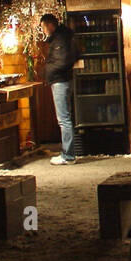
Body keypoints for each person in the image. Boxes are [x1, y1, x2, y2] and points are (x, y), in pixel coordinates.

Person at [41, 13, 79, 164]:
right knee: (65, 118)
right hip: (64, 80)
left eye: (43, 27)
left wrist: (47, 71)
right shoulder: (64, 37)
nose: (43, 31)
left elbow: (62, 61)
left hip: (60, 81)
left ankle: (68, 155)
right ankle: (68, 153)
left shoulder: (59, 40)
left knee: (63, 119)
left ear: (50, 25)